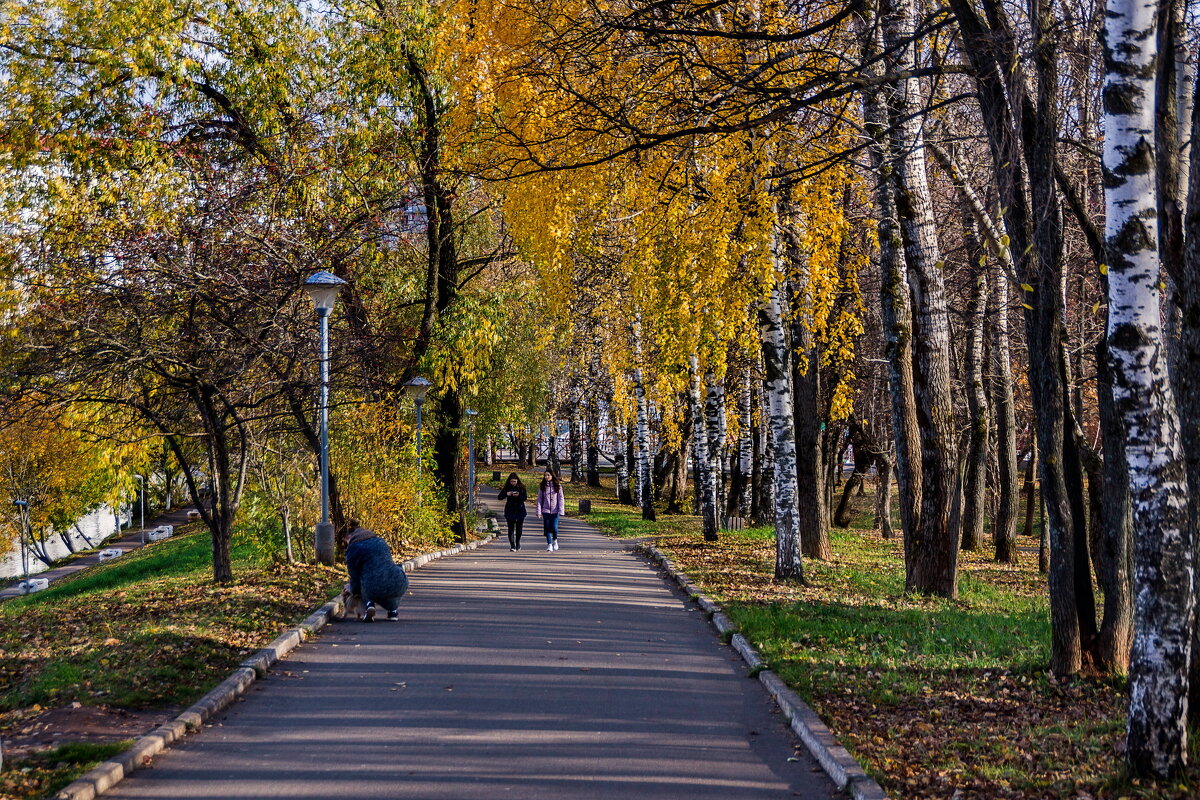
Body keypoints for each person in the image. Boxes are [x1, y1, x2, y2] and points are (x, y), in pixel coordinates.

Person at [345, 521, 408, 622]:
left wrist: (352, 588)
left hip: (373, 586)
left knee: (365, 582)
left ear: (349, 537)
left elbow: (354, 576)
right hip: (398, 583)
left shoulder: (353, 548)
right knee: (389, 583)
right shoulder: (381, 541)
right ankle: (393, 612)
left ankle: (369, 605)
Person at [498, 473, 528, 551]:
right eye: (511, 481)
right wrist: (507, 494)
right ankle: (512, 545)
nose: (513, 483)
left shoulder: (521, 487)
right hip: (510, 509)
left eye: (514, 481)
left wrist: (518, 495)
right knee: (510, 528)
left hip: (520, 509)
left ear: (517, 481)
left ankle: (518, 543)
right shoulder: (507, 488)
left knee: (519, 528)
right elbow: (499, 497)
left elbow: (525, 498)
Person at [537, 469, 565, 551]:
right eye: (545, 475)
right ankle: (549, 544)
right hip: (545, 510)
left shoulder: (558, 486)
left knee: (555, 528)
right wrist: (539, 511)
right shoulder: (543, 486)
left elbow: (561, 498)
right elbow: (539, 499)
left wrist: (561, 509)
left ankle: (555, 540)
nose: (546, 477)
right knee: (547, 528)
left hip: (555, 510)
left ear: (552, 476)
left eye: (548, 475)